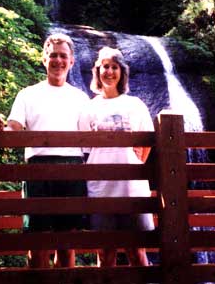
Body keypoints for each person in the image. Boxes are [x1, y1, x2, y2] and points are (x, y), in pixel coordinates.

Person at [0, 33, 89, 268]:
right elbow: (14, 128)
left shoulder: (82, 98)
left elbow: (90, 139)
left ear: (72, 61)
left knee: (66, 243)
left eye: (63, 56)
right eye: (53, 55)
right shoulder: (27, 94)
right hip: (37, 170)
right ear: (44, 59)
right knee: (37, 241)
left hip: (72, 169)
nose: (58, 61)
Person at [79, 46, 154, 267]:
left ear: (122, 72)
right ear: (97, 71)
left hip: (132, 189)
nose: (109, 72)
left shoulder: (135, 104)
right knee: (104, 252)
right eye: (105, 66)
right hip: (100, 189)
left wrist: (133, 167)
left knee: (136, 251)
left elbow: (146, 144)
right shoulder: (89, 107)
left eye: (114, 67)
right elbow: (85, 149)